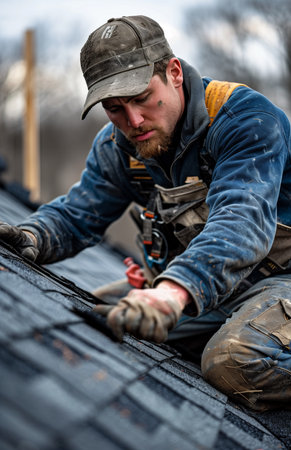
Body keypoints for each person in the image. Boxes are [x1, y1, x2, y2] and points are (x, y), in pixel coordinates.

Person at [0, 15, 291, 412]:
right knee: (104, 319)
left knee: (235, 361)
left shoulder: (246, 121)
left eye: (141, 98)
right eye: (115, 108)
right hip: (219, 292)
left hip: (281, 284)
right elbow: (77, 214)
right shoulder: (120, 147)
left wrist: (172, 293)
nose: (133, 121)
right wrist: (31, 236)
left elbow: (241, 222)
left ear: (173, 73)